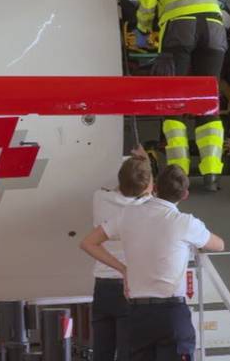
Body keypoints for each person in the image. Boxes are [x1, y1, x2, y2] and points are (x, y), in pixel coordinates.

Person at [80, 165, 225, 361]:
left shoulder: (127, 214)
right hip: (172, 315)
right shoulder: (185, 222)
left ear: (155, 188)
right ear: (185, 195)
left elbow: (88, 242)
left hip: (138, 315)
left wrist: (124, 270)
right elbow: (219, 245)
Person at [134, 0, 228, 191]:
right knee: (207, 101)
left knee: (175, 101)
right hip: (213, 28)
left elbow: (148, 2)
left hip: (180, 30)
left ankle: (178, 175)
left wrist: (143, 30)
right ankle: (212, 175)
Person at [89, 152, 154, 361]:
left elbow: (128, 182)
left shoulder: (99, 197)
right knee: (128, 353)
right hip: (131, 287)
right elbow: (147, 189)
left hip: (103, 286)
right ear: (147, 187)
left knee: (102, 353)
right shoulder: (148, 207)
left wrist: (138, 163)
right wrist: (147, 162)